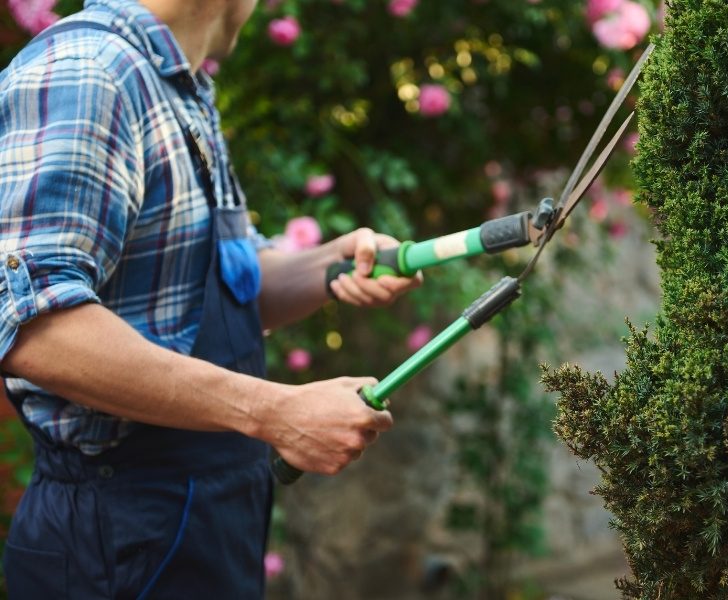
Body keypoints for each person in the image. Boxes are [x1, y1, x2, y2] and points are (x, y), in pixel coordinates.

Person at [0, 0, 422, 597]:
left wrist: (330, 264)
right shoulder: (87, 72)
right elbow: (34, 327)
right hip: (117, 540)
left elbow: (224, 286)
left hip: (205, 520)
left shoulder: (177, 87)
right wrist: (276, 411)